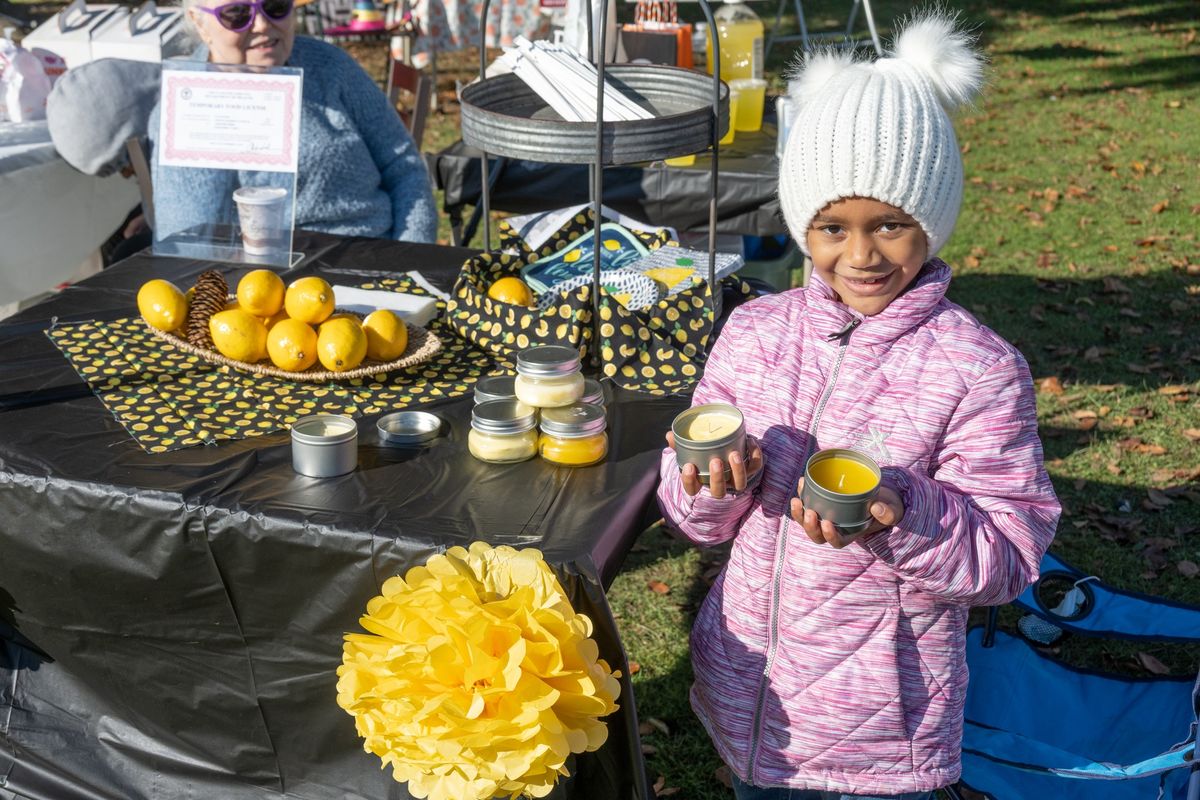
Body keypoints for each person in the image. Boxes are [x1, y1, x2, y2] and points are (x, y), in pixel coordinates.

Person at [657, 12, 1062, 800]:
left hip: (884, 729)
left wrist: (901, 509)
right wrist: (712, 486)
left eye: (890, 225)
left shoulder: (977, 369)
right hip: (753, 692)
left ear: (933, 220)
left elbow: (1009, 556)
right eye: (832, 227)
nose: (862, 255)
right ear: (800, 222)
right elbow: (688, 511)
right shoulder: (754, 331)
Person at [147, 0, 437, 244]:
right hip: (263, 290)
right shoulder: (185, 107)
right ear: (199, 22)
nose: (261, 24)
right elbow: (192, 237)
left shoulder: (330, 66)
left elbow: (404, 168)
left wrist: (411, 259)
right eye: (237, 14)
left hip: (375, 255)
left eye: (275, 6)